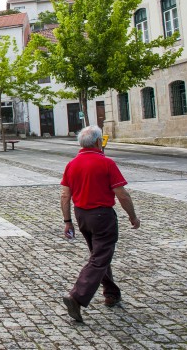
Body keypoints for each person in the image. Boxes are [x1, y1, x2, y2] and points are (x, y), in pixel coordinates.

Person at [60, 125, 140, 323]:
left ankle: (111, 293)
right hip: (102, 216)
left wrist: (68, 221)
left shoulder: (72, 164)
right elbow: (122, 194)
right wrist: (133, 216)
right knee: (99, 258)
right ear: (98, 142)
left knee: (99, 255)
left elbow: (64, 195)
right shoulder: (106, 163)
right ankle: (77, 296)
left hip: (81, 216)